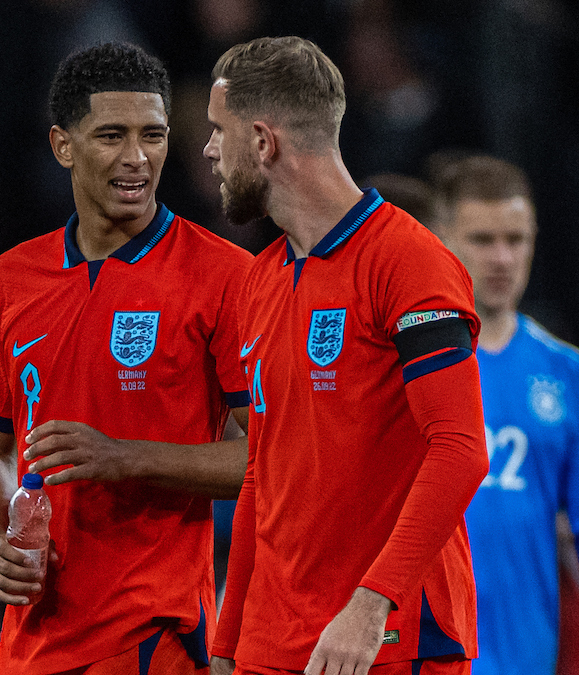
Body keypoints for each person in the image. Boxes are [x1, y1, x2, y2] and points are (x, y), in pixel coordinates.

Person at [0, 42, 253, 675]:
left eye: (154, 135)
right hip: (30, 639)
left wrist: (125, 458)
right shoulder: (11, 279)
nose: (137, 158)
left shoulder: (225, 275)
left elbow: (273, 456)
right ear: (63, 146)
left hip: (152, 632)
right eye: (111, 136)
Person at [203, 36, 489, 675]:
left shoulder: (410, 262)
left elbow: (460, 449)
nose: (209, 151)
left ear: (263, 141)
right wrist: (226, 643)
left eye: (219, 132)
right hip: (273, 646)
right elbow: (261, 470)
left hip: (388, 641)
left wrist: (371, 603)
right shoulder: (259, 279)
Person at [432, 155, 579, 675]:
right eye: (483, 239)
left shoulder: (570, 376)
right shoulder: (400, 364)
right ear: (441, 236)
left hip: (527, 656)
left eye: (516, 240)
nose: (502, 258)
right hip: (422, 656)